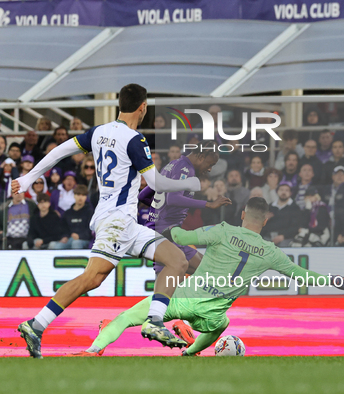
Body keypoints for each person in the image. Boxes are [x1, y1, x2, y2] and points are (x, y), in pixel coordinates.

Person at [13, 83, 203, 357]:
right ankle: (36, 324)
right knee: (91, 278)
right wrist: (191, 182)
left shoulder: (99, 132)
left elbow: (59, 152)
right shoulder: (135, 140)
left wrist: (29, 177)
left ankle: (154, 321)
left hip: (125, 222)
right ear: (143, 107)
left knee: (177, 260)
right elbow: (155, 182)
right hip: (116, 222)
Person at [75, 198, 344, 356]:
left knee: (126, 318)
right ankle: (189, 352)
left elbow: (182, 237)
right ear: (265, 220)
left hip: (182, 300)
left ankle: (93, 349)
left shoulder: (222, 230)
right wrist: (335, 281)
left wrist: (161, 226)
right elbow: (302, 276)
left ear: (243, 214)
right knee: (223, 324)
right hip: (213, 313)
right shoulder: (271, 252)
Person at [137, 144, 231, 275]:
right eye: (210, 164)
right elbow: (173, 199)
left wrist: (159, 209)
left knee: (206, 270)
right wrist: (208, 204)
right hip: (164, 234)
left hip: (165, 233)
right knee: (170, 284)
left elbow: (143, 195)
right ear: (201, 157)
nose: (209, 169)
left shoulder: (171, 165)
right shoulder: (186, 169)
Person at [261, 182, 301, 247]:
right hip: (268, 237)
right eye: (281, 190)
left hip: (286, 238)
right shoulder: (270, 207)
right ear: (277, 192)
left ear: (290, 193)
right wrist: (263, 220)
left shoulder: (295, 208)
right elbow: (262, 227)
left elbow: (295, 227)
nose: (284, 192)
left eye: (286, 190)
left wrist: (283, 236)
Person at [54, 185, 93, 249]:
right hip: (70, 239)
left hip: (85, 240)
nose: (80, 197)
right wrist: (65, 237)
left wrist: (80, 236)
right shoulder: (68, 213)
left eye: (83, 195)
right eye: (78, 194)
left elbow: (91, 230)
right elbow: (63, 228)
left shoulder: (90, 212)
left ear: (86, 197)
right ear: (74, 195)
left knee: (76, 243)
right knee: (58, 246)